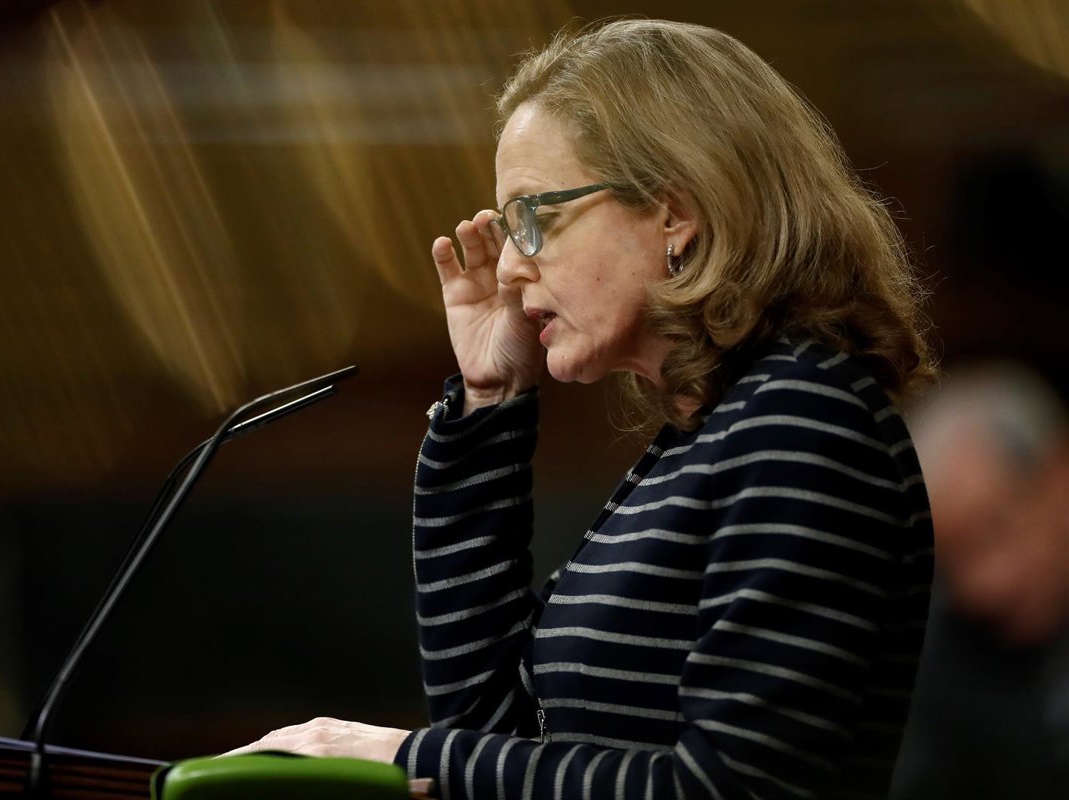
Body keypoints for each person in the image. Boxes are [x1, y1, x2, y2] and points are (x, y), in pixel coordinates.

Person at [229, 19, 935, 799]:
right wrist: (489, 404)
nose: (508, 266)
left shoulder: (800, 419)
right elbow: (491, 737)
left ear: (674, 212)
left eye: (533, 217)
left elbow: (734, 788)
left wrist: (402, 756)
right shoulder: (712, 432)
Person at [890, 364, 1069, 799]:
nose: (984, 587)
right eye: (954, 564)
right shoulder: (939, 665)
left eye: (994, 531)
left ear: (1058, 477)